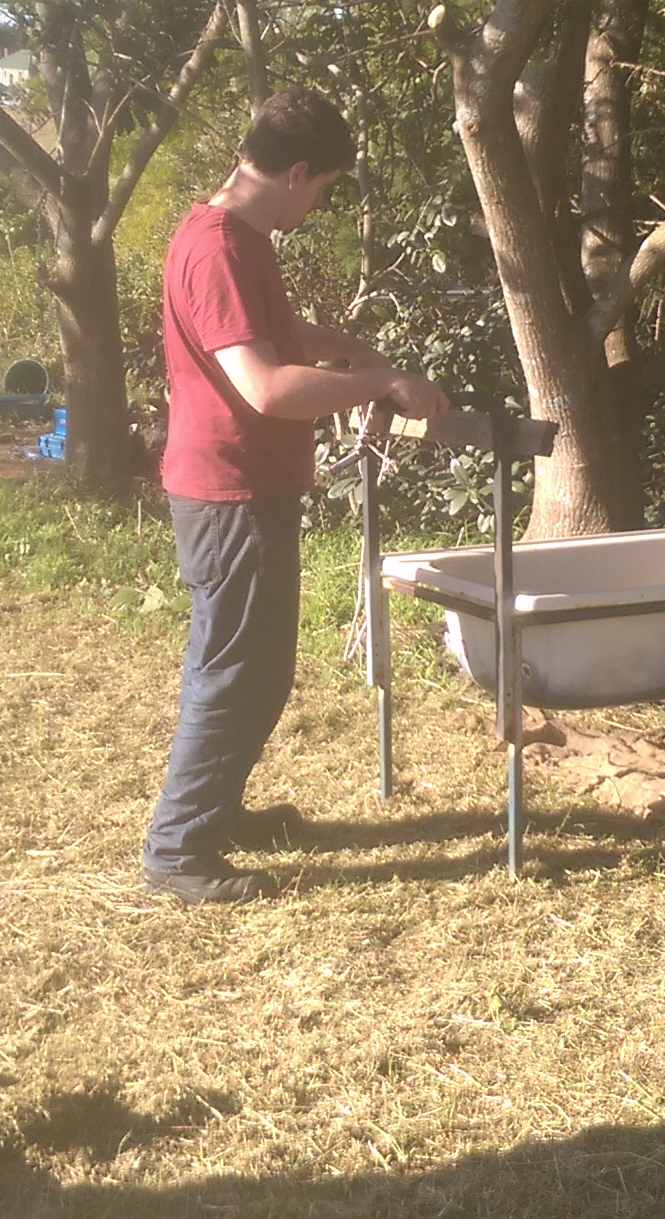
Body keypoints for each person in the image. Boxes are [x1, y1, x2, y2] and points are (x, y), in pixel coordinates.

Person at [142, 89, 449, 905]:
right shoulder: (219, 247)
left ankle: (216, 813)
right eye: (322, 189)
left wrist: (348, 347)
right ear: (297, 172)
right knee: (235, 672)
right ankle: (177, 852)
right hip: (229, 492)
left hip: (245, 488)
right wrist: (380, 383)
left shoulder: (235, 237)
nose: (317, 206)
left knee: (257, 668)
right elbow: (267, 386)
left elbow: (270, 332)